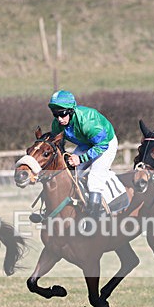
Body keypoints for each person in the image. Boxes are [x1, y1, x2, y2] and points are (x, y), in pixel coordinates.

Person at [48, 90, 118, 218]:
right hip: (86, 144)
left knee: (94, 178)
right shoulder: (57, 124)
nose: (59, 119)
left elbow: (102, 145)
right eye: (55, 114)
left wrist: (81, 159)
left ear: (71, 111)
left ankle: (96, 216)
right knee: (70, 175)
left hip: (105, 143)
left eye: (63, 114)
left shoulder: (87, 122)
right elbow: (57, 145)